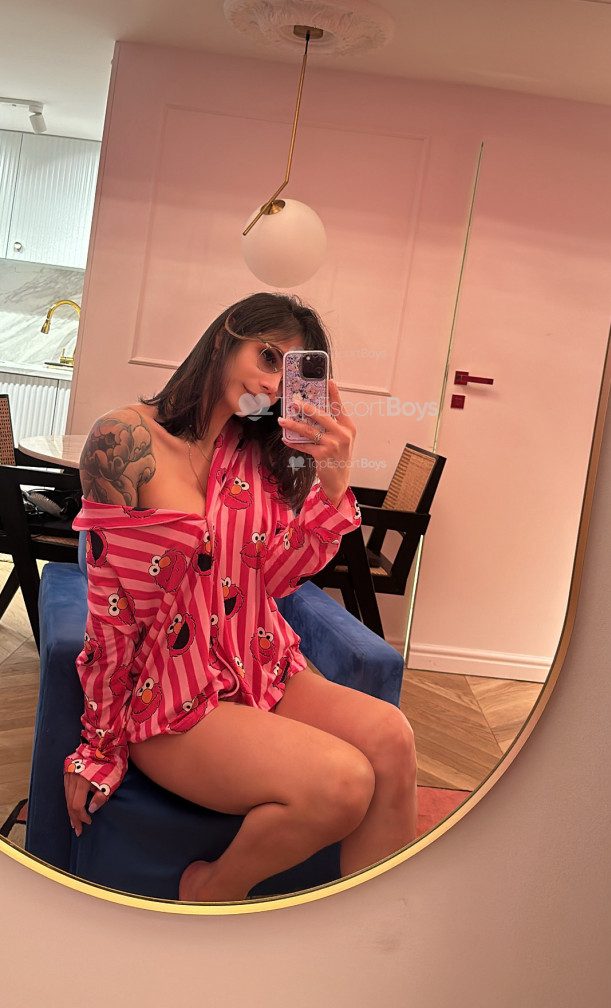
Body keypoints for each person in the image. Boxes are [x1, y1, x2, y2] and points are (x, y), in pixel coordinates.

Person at [64, 292, 418, 902]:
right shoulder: (123, 439)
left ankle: (374, 931)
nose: (274, 384)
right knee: (342, 783)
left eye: (291, 373)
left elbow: (274, 578)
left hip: (259, 662)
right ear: (228, 335)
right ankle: (212, 889)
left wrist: (334, 482)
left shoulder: (260, 453)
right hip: (169, 690)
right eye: (268, 356)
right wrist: (98, 743)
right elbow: (109, 607)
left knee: (393, 736)